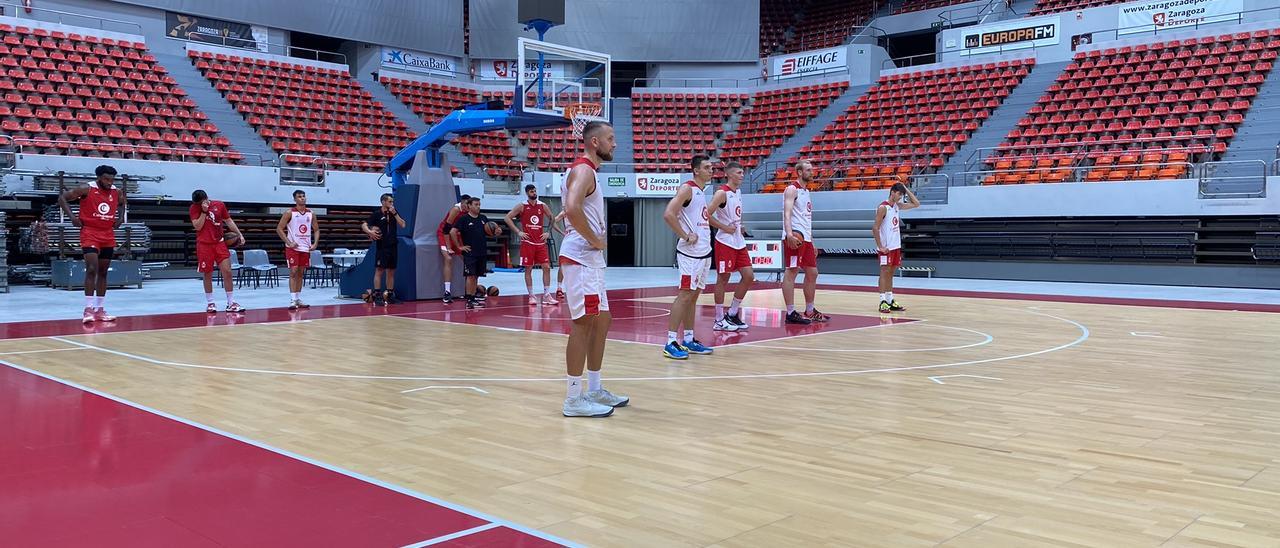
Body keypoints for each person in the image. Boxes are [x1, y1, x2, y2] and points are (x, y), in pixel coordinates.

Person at [559, 120, 627, 417]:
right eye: (610, 138)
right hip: (581, 259)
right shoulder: (585, 170)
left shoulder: (589, 173)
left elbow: (573, 208)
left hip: (590, 261)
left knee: (602, 320)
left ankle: (595, 387)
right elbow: (573, 208)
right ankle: (574, 398)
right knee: (583, 323)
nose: (615, 144)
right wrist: (596, 240)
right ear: (595, 142)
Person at [661, 155, 716, 359]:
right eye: (707, 167)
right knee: (684, 295)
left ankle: (690, 339)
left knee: (693, 298)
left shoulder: (702, 192)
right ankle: (670, 341)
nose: (711, 170)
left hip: (703, 253)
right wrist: (685, 235)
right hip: (689, 254)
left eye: (712, 167)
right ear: (696, 170)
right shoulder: (687, 189)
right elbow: (668, 214)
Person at [59, 165, 125, 323]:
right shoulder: (86, 189)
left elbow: (122, 203)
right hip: (90, 232)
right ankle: (88, 309)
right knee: (91, 269)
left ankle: (100, 310)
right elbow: (62, 198)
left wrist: (121, 218)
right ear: (99, 178)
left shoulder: (117, 191)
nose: (110, 182)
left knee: (103, 272)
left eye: (112, 179)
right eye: (106, 179)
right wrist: (72, 217)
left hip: (108, 234)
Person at [781, 160, 829, 324]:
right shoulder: (792, 189)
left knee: (812, 273)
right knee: (791, 272)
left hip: (805, 239)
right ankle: (790, 313)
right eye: (808, 170)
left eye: (812, 169)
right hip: (795, 237)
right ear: (800, 172)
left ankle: (809, 310)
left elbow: (805, 219)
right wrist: (789, 234)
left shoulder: (806, 192)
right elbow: (786, 213)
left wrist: (812, 241)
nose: (812, 172)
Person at [708, 161, 752, 331]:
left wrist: (740, 226)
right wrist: (725, 227)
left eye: (742, 172)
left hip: (738, 241)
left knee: (748, 276)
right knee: (723, 279)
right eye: (740, 172)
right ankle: (719, 320)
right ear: (730, 174)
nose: (742, 175)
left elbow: (734, 215)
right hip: (725, 241)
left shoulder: (738, 192)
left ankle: (732, 314)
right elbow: (707, 215)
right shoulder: (721, 193)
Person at [189, 189, 245, 313]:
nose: (198, 205)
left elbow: (228, 221)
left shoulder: (219, 205)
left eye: (200, 203)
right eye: (197, 203)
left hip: (219, 243)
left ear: (206, 198)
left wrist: (239, 234)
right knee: (207, 273)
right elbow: (197, 226)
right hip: (204, 245)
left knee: (227, 272)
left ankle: (231, 303)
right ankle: (210, 303)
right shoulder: (194, 208)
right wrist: (203, 212)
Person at [504, 184, 558, 306]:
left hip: (540, 242)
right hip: (527, 242)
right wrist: (518, 232)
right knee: (528, 269)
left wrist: (548, 232)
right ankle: (531, 295)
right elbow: (507, 218)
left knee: (547, 267)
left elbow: (552, 217)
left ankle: (547, 295)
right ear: (527, 193)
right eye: (532, 191)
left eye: (535, 191)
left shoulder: (542, 205)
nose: (534, 193)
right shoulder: (522, 206)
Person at [874, 182, 920, 313]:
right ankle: (882, 301)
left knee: (891, 273)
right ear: (892, 192)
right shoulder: (883, 207)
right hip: (886, 247)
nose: (900, 197)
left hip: (895, 246)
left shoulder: (897, 206)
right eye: (899, 194)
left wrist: (905, 188)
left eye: (902, 195)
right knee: (884, 272)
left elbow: (917, 204)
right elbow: (875, 228)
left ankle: (890, 299)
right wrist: (880, 246)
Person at [450, 197, 502, 309]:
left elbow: (492, 231)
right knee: (470, 276)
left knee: (476, 276)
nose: (478, 206)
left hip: (482, 251)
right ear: (469, 206)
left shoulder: (483, 218)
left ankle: (473, 297)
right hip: (470, 252)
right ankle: (469, 299)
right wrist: (459, 247)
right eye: (476, 204)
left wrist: (497, 231)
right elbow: (452, 231)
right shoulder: (464, 219)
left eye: (479, 204)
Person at [276, 189, 318, 310]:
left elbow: (316, 229)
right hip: (292, 247)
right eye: (299, 196)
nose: (302, 198)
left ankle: (298, 298)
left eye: (304, 196)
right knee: (293, 271)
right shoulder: (289, 213)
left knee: (300, 273)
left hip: (305, 247)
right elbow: (279, 229)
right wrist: (288, 242)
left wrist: (315, 243)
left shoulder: (311, 213)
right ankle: (293, 299)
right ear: (295, 199)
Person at [362, 192, 407, 306]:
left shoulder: (393, 213)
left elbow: (403, 225)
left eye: (392, 202)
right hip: (382, 246)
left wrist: (395, 213)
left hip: (393, 245)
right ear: (383, 202)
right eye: (390, 201)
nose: (392, 203)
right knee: (379, 270)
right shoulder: (377, 214)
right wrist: (370, 231)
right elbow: (364, 225)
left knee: (391, 271)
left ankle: (390, 296)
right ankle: (377, 296)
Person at [436, 194, 470, 304]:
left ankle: (470, 291)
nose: (468, 207)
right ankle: (447, 292)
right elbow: (446, 229)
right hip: (444, 234)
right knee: (448, 259)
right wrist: (449, 247)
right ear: (463, 203)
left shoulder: (468, 211)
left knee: (468, 259)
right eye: (466, 204)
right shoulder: (456, 210)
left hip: (456, 235)